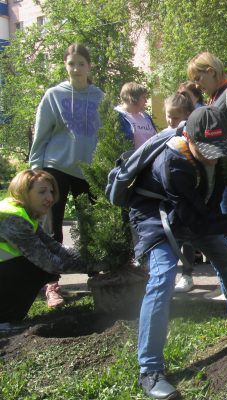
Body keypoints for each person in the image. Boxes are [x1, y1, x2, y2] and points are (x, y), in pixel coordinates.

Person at [129, 105, 227, 399]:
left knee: (226, 257)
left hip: (191, 212)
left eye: (218, 148)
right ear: (188, 136)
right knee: (162, 277)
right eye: (206, 148)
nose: (213, 155)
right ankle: (150, 370)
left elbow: (217, 195)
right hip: (154, 219)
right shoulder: (173, 163)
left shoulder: (215, 154)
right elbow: (198, 223)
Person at [28, 43, 104, 308]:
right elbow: (42, 133)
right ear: (65, 65)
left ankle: (97, 276)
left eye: (81, 63)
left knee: (91, 225)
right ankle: (52, 285)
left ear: (89, 66)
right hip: (55, 168)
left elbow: (104, 135)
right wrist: (35, 171)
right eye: (71, 63)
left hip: (88, 170)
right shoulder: (53, 95)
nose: (76, 68)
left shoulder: (98, 97)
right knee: (52, 228)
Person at [0, 170, 103, 333]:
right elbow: (50, 262)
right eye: (42, 192)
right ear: (24, 192)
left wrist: (96, 257)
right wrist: (96, 265)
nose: (49, 197)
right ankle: (3, 321)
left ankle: (8, 318)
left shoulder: (24, 214)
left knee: (38, 267)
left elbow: (55, 248)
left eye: (51, 191)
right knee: (38, 268)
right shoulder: (13, 218)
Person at [187, 52, 227, 298]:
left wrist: (222, 143)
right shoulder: (216, 95)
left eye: (198, 76)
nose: (197, 84)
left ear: (211, 70)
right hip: (221, 172)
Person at [160, 92, 203, 293]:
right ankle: (167, 277)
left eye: (175, 117)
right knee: (169, 237)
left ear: (187, 116)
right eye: (168, 116)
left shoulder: (189, 136)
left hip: (186, 194)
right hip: (167, 196)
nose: (170, 120)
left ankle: (187, 274)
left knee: (188, 238)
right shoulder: (163, 134)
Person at [115, 82, 157, 150]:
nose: (146, 101)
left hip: (150, 159)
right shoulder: (117, 116)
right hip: (131, 159)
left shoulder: (145, 116)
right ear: (133, 98)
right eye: (143, 97)